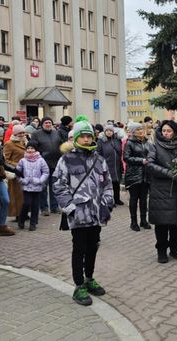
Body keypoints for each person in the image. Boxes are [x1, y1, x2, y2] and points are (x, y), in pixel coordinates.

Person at [53, 116, 113, 306]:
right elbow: (58, 186)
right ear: (76, 138)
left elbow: (108, 183)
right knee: (79, 249)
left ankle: (89, 278)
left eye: (89, 136)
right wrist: (70, 207)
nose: (87, 139)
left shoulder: (99, 159)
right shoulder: (66, 160)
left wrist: (106, 203)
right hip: (78, 214)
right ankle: (79, 285)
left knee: (93, 246)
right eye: (83, 136)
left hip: (96, 213)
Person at [147, 120, 177, 264]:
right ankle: (161, 249)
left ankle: (175, 247)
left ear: (174, 131)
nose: (166, 133)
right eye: (164, 131)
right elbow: (150, 164)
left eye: (169, 131)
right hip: (161, 189)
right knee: (162, 222)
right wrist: (168, 173)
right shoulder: (154, 145)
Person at [123, 122, 152, 231]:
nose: (140, 131)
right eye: (137, 130)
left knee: (144, 199)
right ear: (133, 132)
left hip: (145, 175)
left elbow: (151, 154)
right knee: (134, 199)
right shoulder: (129, 143)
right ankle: (133, 222)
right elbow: (126, 157)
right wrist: (141, 161)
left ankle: (143, 221)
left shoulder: (147, 142)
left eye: (141, 129)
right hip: (134, 175)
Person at [32, 117, 63, 215]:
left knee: (54, 186)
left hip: (55, 163)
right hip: (42, 164)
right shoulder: (36, 134)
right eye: (46, 123)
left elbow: (61, 145)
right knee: (43, 187)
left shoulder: (56, 133)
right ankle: (44, 208)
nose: (48, 124)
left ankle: (54, 207)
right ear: (42, 124)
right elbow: (33, 147)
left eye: (50, 122)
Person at [17, 141, 50, 230]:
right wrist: (22, 180)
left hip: (37, 186)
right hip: (26, 186)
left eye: (32, 148)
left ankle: (33, 223)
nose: (30, 150)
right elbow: (18, 173)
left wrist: (40, 180)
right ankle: (21, 219)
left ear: (36, 149)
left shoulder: (41, 160)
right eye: (28, 148)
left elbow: (46, 172)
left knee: (35, 206)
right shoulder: (22, 161)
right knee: (26, 203)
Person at [3, 124, 27, 220]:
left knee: (26, 194)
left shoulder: (25, 142)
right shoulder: (9, 143)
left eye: (23, 132)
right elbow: (5, 160)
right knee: (17, 195)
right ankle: (18, 214)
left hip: (27, 172)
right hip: (15, 172)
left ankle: (25, 213)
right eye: (19, 133)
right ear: (15, 133)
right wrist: (17, 165)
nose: (22, 134)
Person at [97, 125, 125, 206]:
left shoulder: (117, 140)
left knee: (116, 183)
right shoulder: (101, 141)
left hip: (117, 165)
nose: (109, 132)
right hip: (107, 165)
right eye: (107, 131)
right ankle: (109, 201)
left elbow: (121, 151)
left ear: (113, 132)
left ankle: (117, 199)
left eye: (111, 131)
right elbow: (98, 153)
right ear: (105, 132)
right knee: (108, 184)